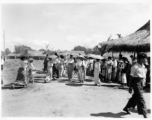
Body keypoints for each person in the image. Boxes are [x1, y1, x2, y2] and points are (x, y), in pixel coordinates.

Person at [123, 52, 148, 118]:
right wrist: (130, 87)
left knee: (135, 97)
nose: (146, 60)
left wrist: (144, 83)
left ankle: (126, 107)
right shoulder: (135, 66)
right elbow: (131, 77)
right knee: (141, 98)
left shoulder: (143, 66)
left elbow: (143, 76)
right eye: (144, 58)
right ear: (140, 59)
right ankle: (144, 113)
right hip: (136, 83)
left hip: (141, 83)